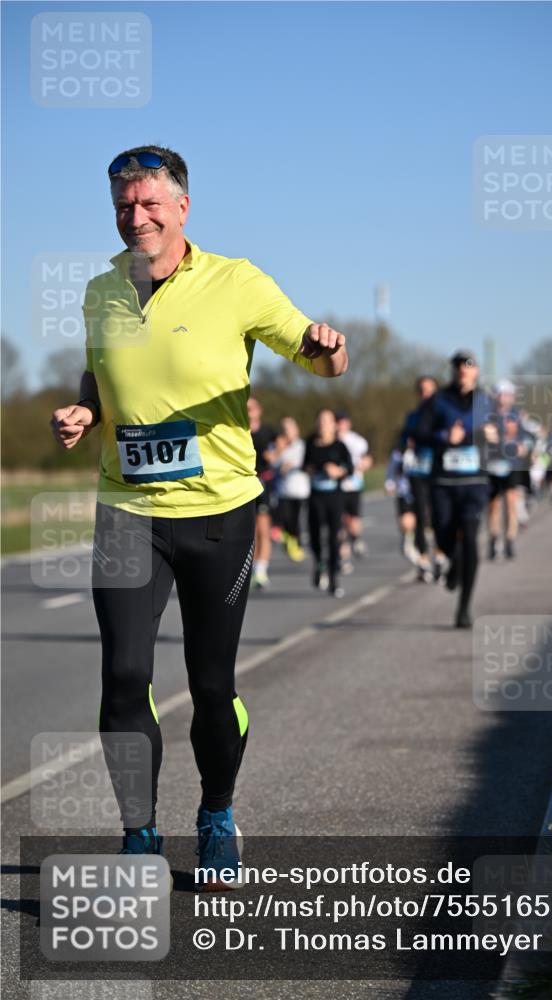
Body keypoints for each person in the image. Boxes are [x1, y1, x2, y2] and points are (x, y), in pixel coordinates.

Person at [49, 145, 348, 886]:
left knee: (211, 684)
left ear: (182, 207)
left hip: (219, 511)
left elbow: (314, 355)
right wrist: (88, 407)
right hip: (127, 508)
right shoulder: (100, 290)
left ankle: (216, 815)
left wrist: (327, 350)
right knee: (122, 675)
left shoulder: (235, 281)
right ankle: (138, 831)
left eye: (150, 203)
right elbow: (103, 367)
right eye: (123, 205)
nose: (136, 217)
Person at [414, 350, 496, 628]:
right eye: (458, 364)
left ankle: (464, 608)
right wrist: (444, 436)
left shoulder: (486, 402)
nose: (463, 368)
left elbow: (501, 431)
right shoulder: (438, 401)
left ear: (476, 370)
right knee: (445, 537)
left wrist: (493, 436)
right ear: (452, 369)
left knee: (471, 537)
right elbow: (419, 433)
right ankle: (454, 561)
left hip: (474, 483)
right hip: (444, 483)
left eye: (469, 364)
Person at [304, 408, 353, 598]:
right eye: (320, 420)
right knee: (315, 535)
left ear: (334, 425)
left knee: (333, 538)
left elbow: (350, 468)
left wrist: (337, 471)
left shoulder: (340, 446)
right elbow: (304, 466)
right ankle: (319, 563)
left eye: (327, 420)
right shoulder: (310, 443)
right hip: (316, 495)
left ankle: (334, 579)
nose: (322, 424)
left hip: (335, 495)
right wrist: (314, 469)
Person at [486, 380, 531, 559]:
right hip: (493, 466)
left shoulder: (518, 416)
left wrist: (524, 446)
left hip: (512, 466)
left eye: (507, 395)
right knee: (494, 505)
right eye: (501, 394)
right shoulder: (487, 416)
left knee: (511, 503)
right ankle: (494, 540)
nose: (504, 398)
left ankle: (510, 540)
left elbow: (528, 437)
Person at [401, 376, 440, 582]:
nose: (425, 395)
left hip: (439, 471)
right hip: (418, 472)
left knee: (439, 516)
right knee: (420, 514)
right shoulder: (413, 416)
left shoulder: (442, 416)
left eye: (429, 391)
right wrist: (405, 445)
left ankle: (441, 556)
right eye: (422, 391)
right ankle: (423, 560)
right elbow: (401, 441)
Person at [336, 411, 372, 570]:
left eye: (343, 422)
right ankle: (344, 557)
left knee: (353, 521)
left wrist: (364, 464)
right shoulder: (332, 440)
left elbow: (367, 458)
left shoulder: (357, 441)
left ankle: (356, 539)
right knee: (340, 522)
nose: (340, 425)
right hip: (337, 487)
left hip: (354, 485)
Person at [247, 396, 276, 589]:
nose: (249, 412)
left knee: (263, 529)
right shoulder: (236, 431)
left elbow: (278, 453)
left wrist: (275, 456)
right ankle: (249, 569)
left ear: (259, 411)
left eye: (252, 408)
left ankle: (261, 571)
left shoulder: (267, 432)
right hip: (242, 485)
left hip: (263, 483)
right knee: (248, 531)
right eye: (246, 408)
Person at [272, 416, 309, 562]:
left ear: (296, 430)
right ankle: (289, 543)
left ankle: (296, 545)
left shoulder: (302, 446)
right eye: (284, 429)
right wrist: (279, 456)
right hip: (283, 491)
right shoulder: (279, 446)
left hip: (300, 491)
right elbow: (272, 464)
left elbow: (306, 463)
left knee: (295, 522)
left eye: (290, 429)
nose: (287, 432)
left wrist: (291, 465)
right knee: (283, 521)